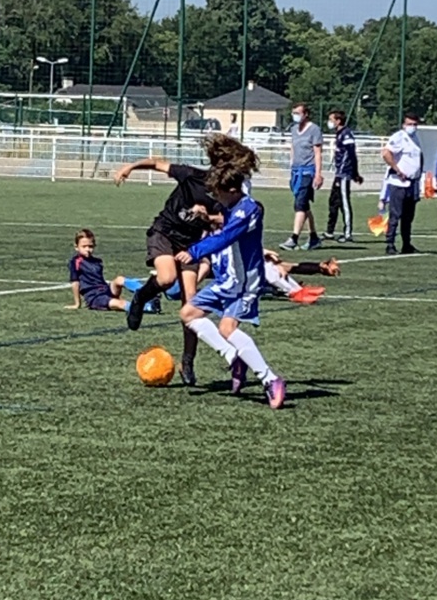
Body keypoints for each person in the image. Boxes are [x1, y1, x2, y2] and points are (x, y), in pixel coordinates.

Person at [113, 135, 258, 386]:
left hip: (191, 245)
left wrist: (209, 216)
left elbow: (231, 222)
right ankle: (140, 298)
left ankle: (188, 361)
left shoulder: (226, 192)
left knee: (190, 305)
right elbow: (158, 164)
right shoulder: (192, 175)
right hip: (165, 232)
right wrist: (131, 167)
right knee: (167, 278)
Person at [175, 158, 286, 409]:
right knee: (188, 313)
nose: (216, 197)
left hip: (246, 281)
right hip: (228, 280)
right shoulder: (232, 206)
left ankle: (270, 379)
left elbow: (226, 237)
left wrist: (194, 251)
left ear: (233, 190)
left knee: (227, 328)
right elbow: (225, 222)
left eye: (219, 193)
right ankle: (232, 356)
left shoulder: (250, 209)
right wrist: (207, 216)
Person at [67, 229, 161, 314]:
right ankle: (148, 307)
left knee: (119, 279)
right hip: (95, 297)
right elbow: (75, 283)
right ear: (76, 247)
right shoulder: (76, 262)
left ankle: (150, 293)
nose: (87, 249)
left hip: (105, 290)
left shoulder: (97, 261)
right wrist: (77, 303)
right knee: (119, 303)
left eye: (90, 246)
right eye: (84, 246)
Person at [279, 102, 324, 251]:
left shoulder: (314, 130)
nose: (295, 116)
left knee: (300, 204)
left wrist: (318, 174)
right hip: (296, 170)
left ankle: (294, 238)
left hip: (307, 171)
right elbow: (293, 148)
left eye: (298, 113)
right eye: (294, 113)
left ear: (306, 114)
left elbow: (317, 153)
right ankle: (314, 237)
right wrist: (291, 166)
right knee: (304, 205)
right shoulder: (293, 130)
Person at [381, 112, 424, 256]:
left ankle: (407, 244)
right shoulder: (399, 137)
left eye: (414, 124)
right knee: (395, 214)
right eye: (409, 124)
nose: (412, 127)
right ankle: (390, 244)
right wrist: (397, 170)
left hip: (412, 182)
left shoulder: (415, 138)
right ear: (404, 125)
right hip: (399, 183)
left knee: (408, 216)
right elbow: (386, 153)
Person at [323, 109, 363, 243]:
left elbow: (352, 154)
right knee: (333, 201)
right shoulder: (339, 134)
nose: (329, 123)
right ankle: (330, 231)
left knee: (344, 203)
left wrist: (355, 173)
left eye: (331, 120)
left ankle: (347, 233)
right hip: (338, 173)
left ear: (338, 121)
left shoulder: (346, 134)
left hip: (344, 174)